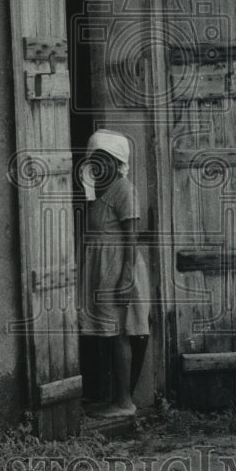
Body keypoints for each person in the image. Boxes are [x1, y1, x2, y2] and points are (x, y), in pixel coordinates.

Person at [78, 129, 150, 417]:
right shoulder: (99, 190)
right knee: (106, 333)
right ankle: (110, 397)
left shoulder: (124, 189)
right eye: (95, 160)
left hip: (120, 270)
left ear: (117, 163)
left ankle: (124, 403)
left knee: (120, 334)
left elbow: (132, 237)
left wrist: (126, 277)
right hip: (103, 272)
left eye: (105, 160)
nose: (99, 166)